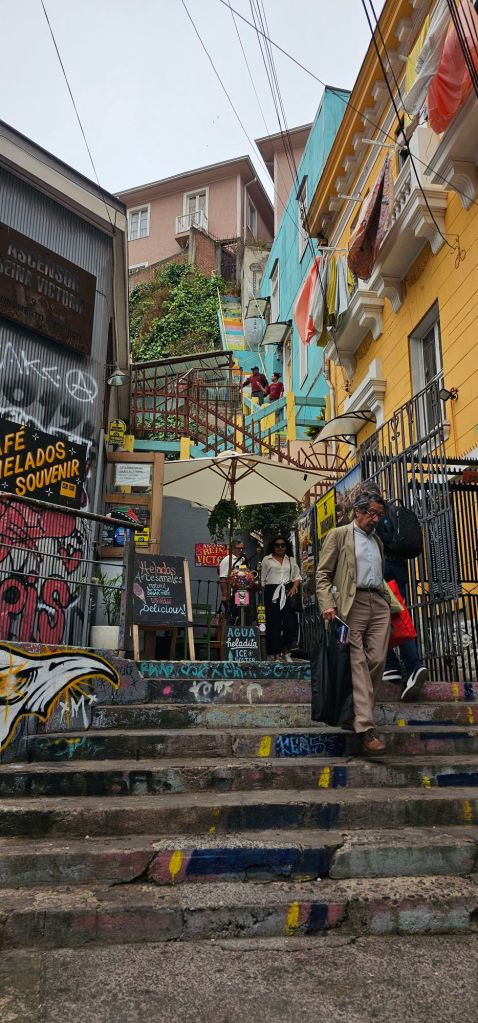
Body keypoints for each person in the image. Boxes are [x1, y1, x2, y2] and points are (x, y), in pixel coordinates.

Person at [316, 488, 391, 755]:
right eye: (372, 513)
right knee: (357, 662)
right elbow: (322, 574)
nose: (376, 519)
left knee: (377, 660)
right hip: (351, 605)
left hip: (378, 603)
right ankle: (366, 728)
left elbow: (380, 576)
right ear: (357, 511)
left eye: (380, 515)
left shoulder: (377, 541)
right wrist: (328, 604)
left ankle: (353, 713)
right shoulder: (339, 535)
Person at [261, 534, 301, 662]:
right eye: (277, 545)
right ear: (273, 547)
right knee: (273, 623)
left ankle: (286, 648)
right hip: (272, 591)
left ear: (286, 546)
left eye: (282, 545)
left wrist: (294, 587)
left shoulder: (291, 560)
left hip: (287, 590)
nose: (280, 547)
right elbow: (263, 579)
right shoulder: (267, 560)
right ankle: (275, 652)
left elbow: (297, 577)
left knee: (291, 623)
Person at [218, 537, 249, 620]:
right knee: (233, 617)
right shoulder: (227, 560)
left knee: (242, 616)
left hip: (242, 591)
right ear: (232, 549)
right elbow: (223, 579)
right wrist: (224, 595)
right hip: (231, 594)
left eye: (242, 548)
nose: (241, 550)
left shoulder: (243, 559)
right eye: (238, 548)